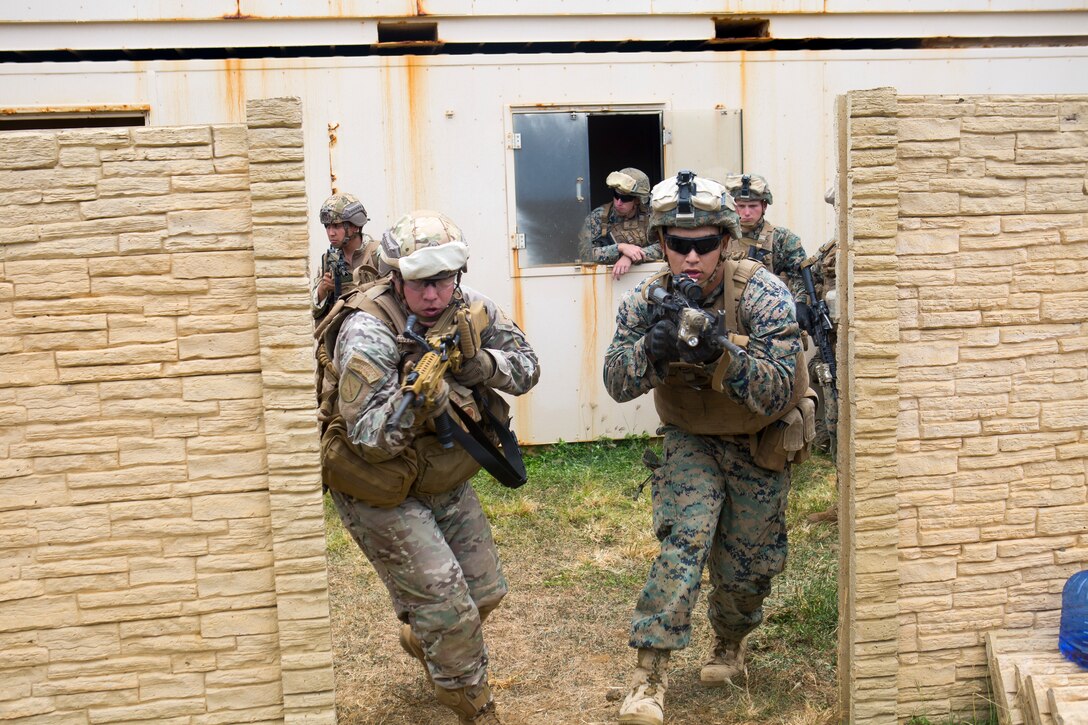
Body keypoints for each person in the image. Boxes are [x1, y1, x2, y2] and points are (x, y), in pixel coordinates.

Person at [603, 171, 815, 725]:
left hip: (757, 441)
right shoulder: (648, 299)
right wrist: (650, 353)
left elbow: (777, 389)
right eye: (678, 244)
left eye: (704, 244)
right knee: (684, 543)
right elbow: (615, 381)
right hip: (691, 439)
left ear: (726, 240)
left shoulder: (763, 294)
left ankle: (730, 642)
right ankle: (648, 677)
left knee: (748, 569)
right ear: (662, 242)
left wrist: (722, 354)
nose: (691, 257)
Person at [317, 210, 540, 725]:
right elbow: (369, 438)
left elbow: (528, 367)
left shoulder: (470, 308)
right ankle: (474, 705)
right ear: (396, 279)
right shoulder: (368, 330)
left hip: (441, 473)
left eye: (443, 280)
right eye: (420, 283)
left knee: (485, 592)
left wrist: (482, 366)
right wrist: (417, 401)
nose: (434, 294)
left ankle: (426, 639)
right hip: (379, 486)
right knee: (449, 606)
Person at [722, 173, 813, 332]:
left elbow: (801, 276)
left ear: (764, 206)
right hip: (727, 320)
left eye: (753, 206)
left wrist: (801, 302)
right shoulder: (720, 238)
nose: (747, 213)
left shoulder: (782, 239)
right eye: (741, 206)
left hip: (770, 323)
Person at [311, 192, 383, 322]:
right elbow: (315, 311)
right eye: (327, 226)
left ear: (354, 226)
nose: (331, 233)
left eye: (336, 226)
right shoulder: (329, 260)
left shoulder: (377, 254)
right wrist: (323, 289)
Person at [578, 167, 660, 280]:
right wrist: (620, 248)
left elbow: (665, 247)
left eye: (625, 198)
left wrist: (630, 256)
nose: (618, 202)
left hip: (647, 279)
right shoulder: (598, 217)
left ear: (637, 200)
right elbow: (584, 254)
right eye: (616, 195)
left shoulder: (651, 216)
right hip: (610, 280)